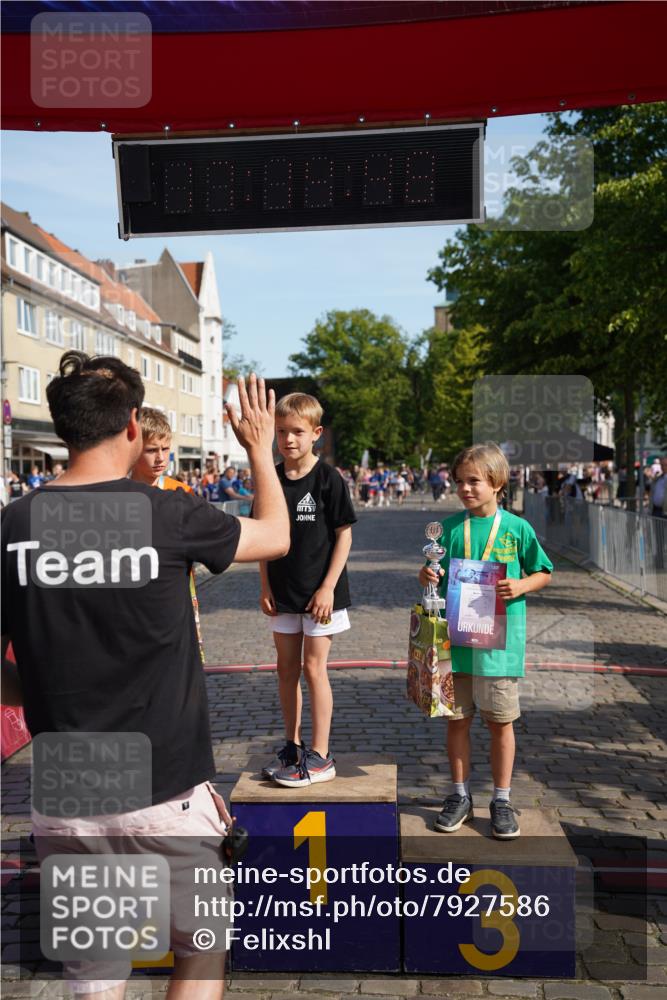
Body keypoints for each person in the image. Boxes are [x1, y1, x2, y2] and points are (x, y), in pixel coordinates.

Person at [2, 352, 289, 999]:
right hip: (165, 791)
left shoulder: (14, 526)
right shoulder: (165, 514)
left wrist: (36, 693)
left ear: (62, 430)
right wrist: (259, 450)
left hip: (69, 792)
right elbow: (275, 536)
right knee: (202, 949)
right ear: (132, 426)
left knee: (95, 976)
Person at [418, 442, 552, 840]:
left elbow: (544, 571)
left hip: (499, 649)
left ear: (496, 483)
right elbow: (432, 573)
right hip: (455, 645)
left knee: (500, 723)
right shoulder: (449, 529)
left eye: (474, 481)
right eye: (459, 481)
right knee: (457, 721)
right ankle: (459, 795)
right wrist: (426, 578)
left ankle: (502, 798)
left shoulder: (517, 528)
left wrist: (522, 583)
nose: (465, 488)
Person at [258, 393, 356, 787]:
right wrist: (264, 584)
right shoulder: (271, 478)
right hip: (282, 591)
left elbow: (344, 536)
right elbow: (263, 536)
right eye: (281, 431)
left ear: (316, 433)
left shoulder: (328, 478)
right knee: (285, 671)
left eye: (297, 431)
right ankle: (293, 746)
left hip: (321, 595)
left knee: (314, 669)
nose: (289, 439)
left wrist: (328, 588)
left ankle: (320, 754)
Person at [131, 406, 207, 663]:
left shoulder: (180, 491)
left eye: (165, 449)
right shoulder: (120, 492)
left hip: (177, 591)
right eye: (151, 450)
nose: (160, 458)